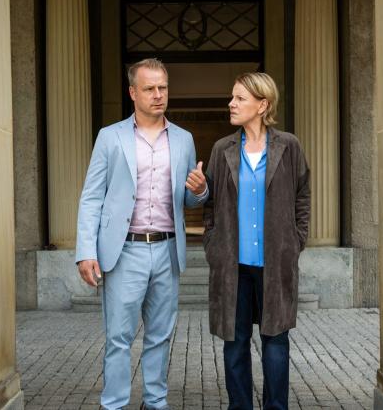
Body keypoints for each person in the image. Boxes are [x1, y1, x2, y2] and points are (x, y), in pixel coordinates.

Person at [75, 58, 208, 410]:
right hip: (125, 251)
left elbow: (189, 199)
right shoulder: (110, 137)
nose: (158, 95)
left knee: (160, 336)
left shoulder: (183, 139)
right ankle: (115, 404)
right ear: (133, 92)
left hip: (167, 250)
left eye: (162, 87)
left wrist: (199, 189)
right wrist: (86, 251)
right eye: (149, 88)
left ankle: (156, 402)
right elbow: (92, 197)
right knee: (118, 337)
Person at [203, 72, 310, 410]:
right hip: (233, 265)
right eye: (232, 98)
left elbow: (302, 196)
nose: (231, 104)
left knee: (276, 342)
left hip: (274, 264)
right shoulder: (222, 149)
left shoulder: (288, 146)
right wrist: (213, 245)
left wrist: (296, 239)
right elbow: (209, 203)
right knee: (234, 345)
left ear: (262, 105)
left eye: (239, 98)